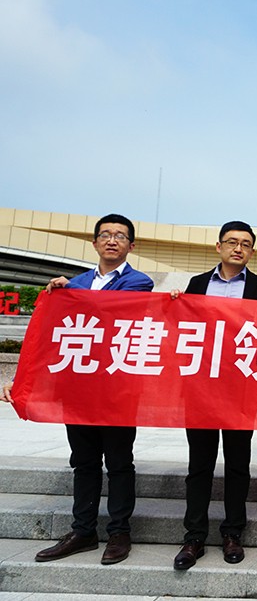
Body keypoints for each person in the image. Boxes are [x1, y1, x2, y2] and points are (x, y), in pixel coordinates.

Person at [4, 214, 153, 567]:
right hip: (79, 390)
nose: (112, 240)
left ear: (131, 246)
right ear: (95, 242)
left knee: (119, 462)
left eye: (120, 236)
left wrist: (70, 293)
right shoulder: (77, 283)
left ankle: (119, 532)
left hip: (117, 390)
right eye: (106, 235)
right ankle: (83, 531)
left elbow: (110, 313)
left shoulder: (138, 282)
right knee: (84, 462)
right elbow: (49, 336)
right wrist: (22, 380)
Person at [172, 221, 257, 571]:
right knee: (199, 465)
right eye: (232, 242)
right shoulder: (197, 284)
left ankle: (233, 532)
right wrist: (173, 305)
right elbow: (182, 328)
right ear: (218, 247)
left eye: (245, 244)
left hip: (241, 389)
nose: (238, 248)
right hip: (201, 388)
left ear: (252, 251)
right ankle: (194, 536)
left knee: (237, 464)